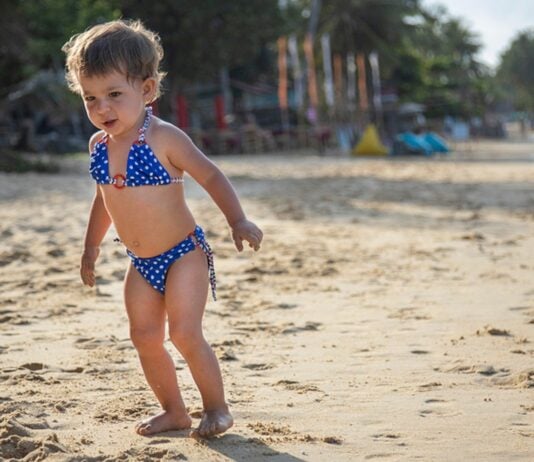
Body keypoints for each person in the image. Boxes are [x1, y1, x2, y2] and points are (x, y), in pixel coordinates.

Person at [62, 19, 263, 438]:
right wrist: (90, 249)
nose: (103, 109)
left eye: (114, 94)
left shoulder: (164, 139)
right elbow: (104, 199)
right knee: (144, 336)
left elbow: (209, 175)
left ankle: (217, 408)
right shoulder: (99, 146)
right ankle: (174, 411)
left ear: (147, 90)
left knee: (185, 333)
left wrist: (237, 219)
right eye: (91, 98)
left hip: (182, 254)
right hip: (141, 261)